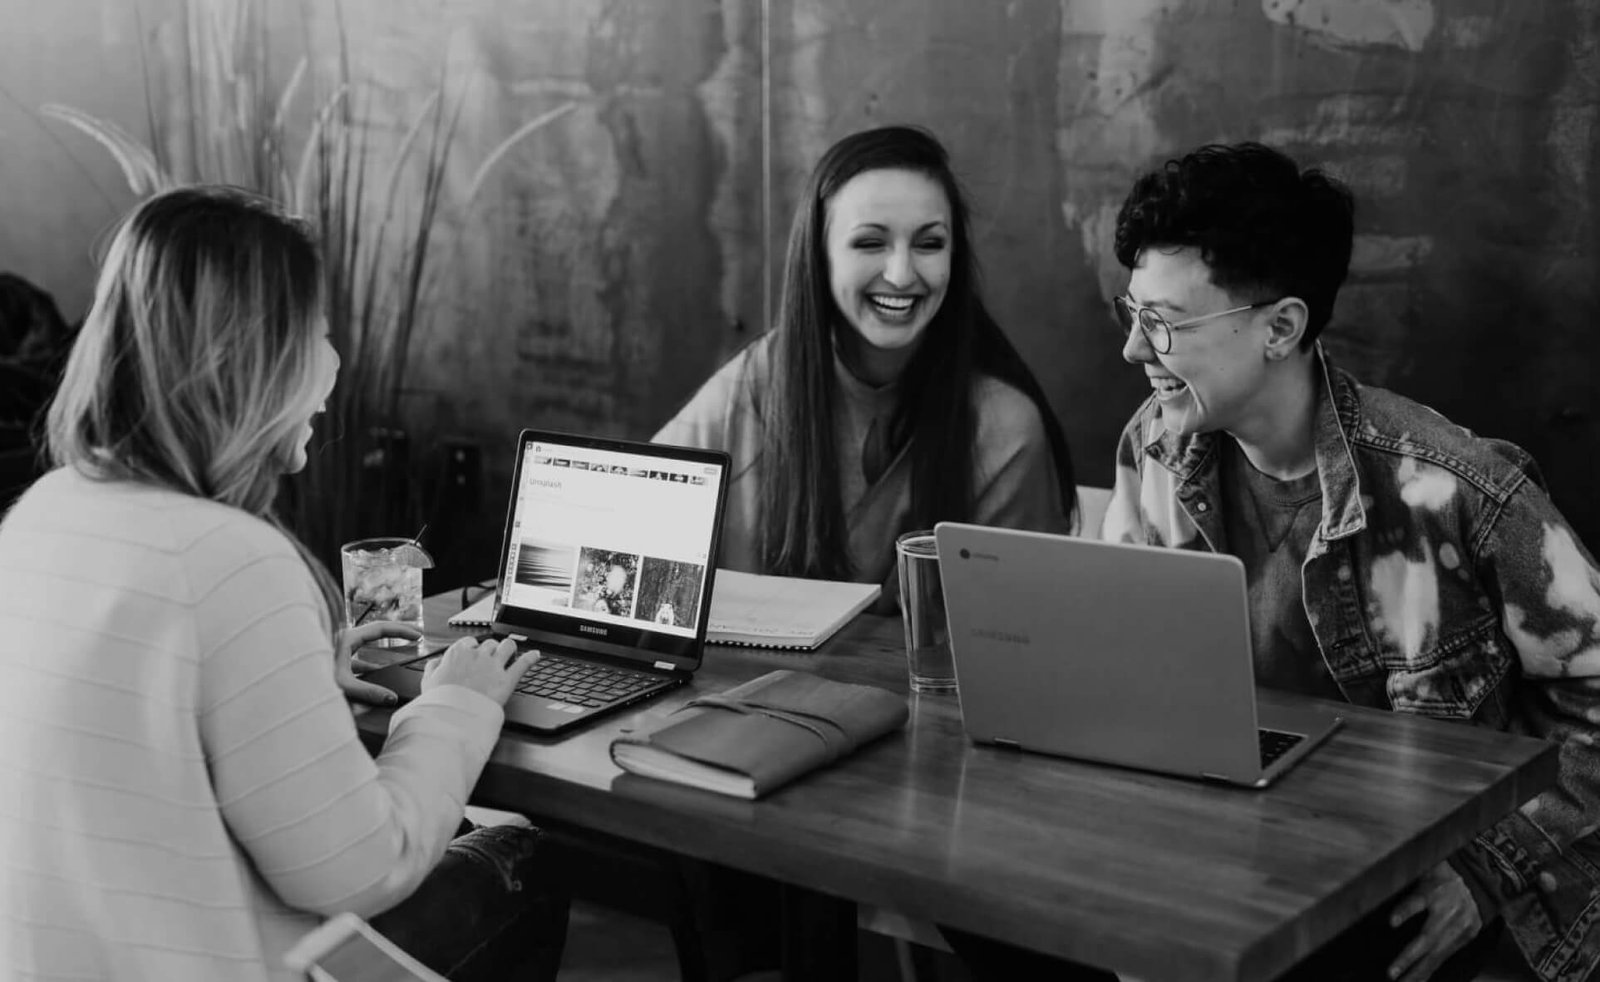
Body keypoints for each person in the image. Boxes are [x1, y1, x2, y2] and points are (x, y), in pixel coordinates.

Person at [0, 186, 567, 981]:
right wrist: (455, 706)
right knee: (523, 858)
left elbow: (136, 731)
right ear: (255, 358)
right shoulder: (234, 558)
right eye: (319, 333)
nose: (333, 365)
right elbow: (361, 870)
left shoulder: (42, 512)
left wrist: (293, 669)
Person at [1103, 142, 1600, 981]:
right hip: (1243, 864)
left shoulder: (1455, 490)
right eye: (1132, 313)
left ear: (1281, 327)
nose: (1131, 350)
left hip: (1413, 895)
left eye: (1163, 323)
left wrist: (1488, 869)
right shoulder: (1155, 449)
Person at [655, 124, 1076, 608]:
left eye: (929, 244)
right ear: (819, 256)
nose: (901, 274)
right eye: (870, 243)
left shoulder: (1005, 428)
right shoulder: (753, 384)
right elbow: (629, 522)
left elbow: (1017, 628)